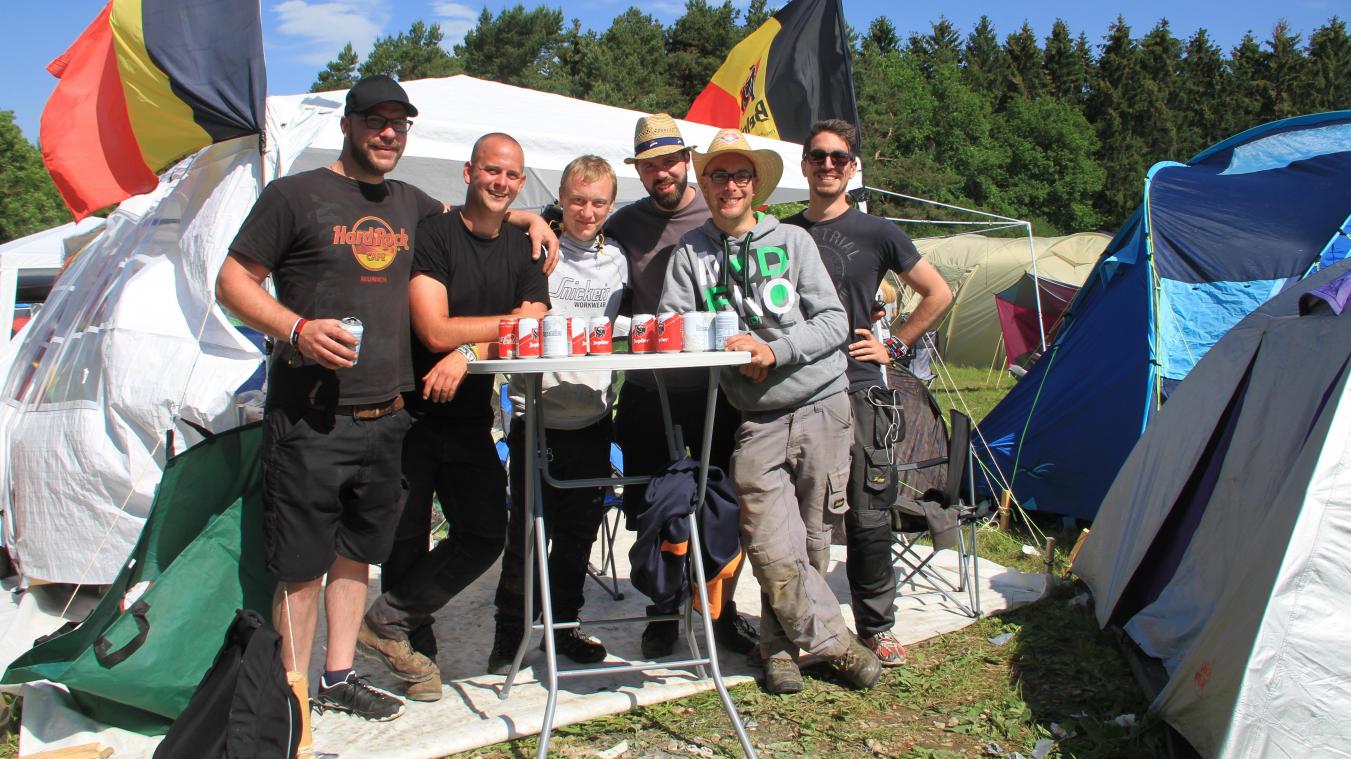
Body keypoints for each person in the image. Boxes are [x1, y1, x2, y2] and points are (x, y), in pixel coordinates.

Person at [216, 74, 440, 721]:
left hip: (387, 418)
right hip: (310, 418)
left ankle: (336, 678)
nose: (388, 132)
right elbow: (232, 280)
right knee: (301, 566)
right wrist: (295, 328)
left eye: (399, 122)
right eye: (375, 119)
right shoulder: (295, 196)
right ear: (347, 124)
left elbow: (468, 229)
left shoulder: (411, 203)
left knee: (356, 555)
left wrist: (528, 221)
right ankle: (289, 701)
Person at [658, 128, 882, 695]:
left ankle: (778, 650)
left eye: (740, 176)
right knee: (764, 538)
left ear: (754, 184)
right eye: (718, 175)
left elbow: (832, 321)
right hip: (754, 417)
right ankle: (835, 642)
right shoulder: (690, 254)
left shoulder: (793, 242)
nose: (729, 186)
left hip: (822, 403)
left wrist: (773, 350)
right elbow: (676, 326)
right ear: (704, 184)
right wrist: (732, 352)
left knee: (809, 538)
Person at [358, 132, 550, 703]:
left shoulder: (523, 249)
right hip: (408, 413)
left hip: (469, 414)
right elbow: (433, 329)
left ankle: (386, 621)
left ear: (521, 182)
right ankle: (416, 658)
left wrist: (468, 354)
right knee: (406, 542)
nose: (501, 182)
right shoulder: (434, 235)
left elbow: (534, 322)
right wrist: (502, 327)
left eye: (512, 175)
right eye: (492, 170)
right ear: (469, 171)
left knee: (485, 533)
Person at [783, 119, 954, 667]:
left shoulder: (879, 232)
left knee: (869, 510)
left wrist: (896, 347)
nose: (828, 164)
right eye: (818, 156)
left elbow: (938, 292)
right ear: (804, 165)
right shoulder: (781, 233)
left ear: (852, 167)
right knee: (793, 512)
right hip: (795, 385)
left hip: (858, 386)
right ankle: (794, 622)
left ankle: (877, 626)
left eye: (839, 157)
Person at [606, 113, 758, 660]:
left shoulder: (720, 207)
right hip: (652, 390)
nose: (661, 171)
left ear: (687, 160)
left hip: (722, 389)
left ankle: (720, 612)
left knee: (727, 501)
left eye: (669, 160)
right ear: (641, 173)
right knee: (653, 503)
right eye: (650, 165)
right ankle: (663, 610)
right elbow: (568, 229)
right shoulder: (623, 223)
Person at [488, 156, 629, 673]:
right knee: (525, 531)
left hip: (592, 416)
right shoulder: (532, 246)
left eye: (597, 203)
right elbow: (484, 215)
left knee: (578, 532)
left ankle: (564, 626)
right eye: (577, 200)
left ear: (611, 207)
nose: (586, 211)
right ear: (561, 200)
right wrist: (527, 217)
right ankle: (510, 634)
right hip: (536, 415)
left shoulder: (619, 259)